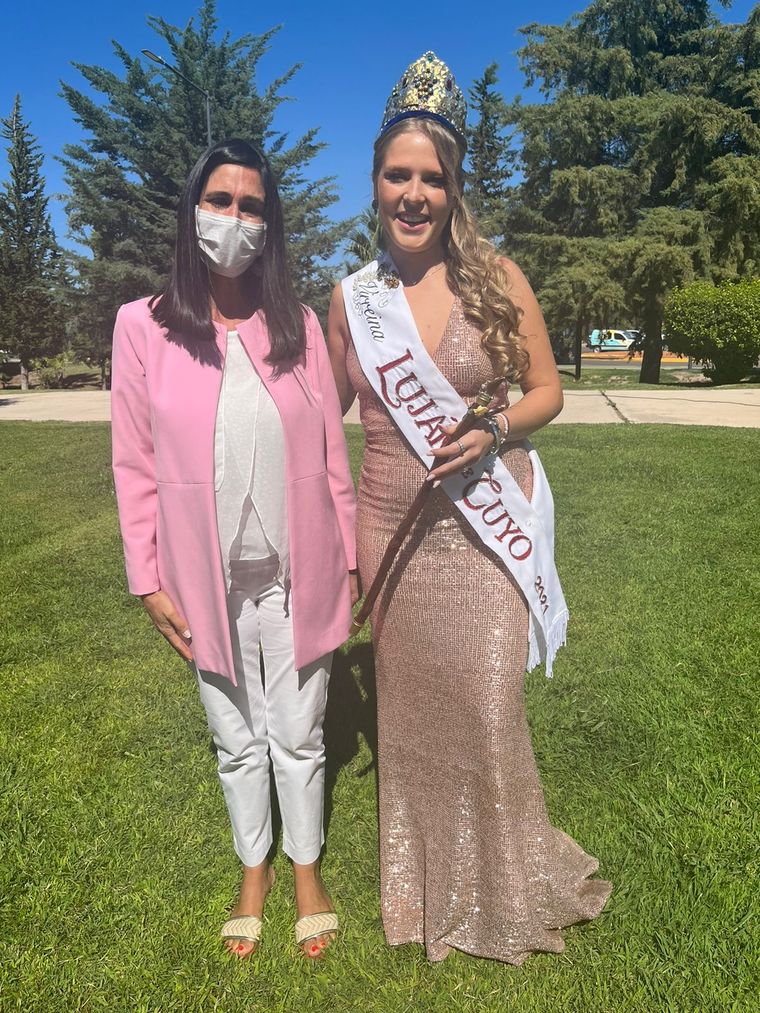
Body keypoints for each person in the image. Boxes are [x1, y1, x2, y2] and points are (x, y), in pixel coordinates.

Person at [327, 53, 611, 964]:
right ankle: (417, 894)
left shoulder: (496, 277)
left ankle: (504, 881)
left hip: (484, 529)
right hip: (391, 532)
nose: (413, 194)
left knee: (489, 707)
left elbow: (547, 393)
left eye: (431, 179)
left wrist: (491, 428)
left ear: (454, 190)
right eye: (397, 175)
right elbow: (319, 415)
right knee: (410, 718)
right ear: (375, 181)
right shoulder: (352, 302)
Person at [111, 138, 357, 959]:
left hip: (298, 566)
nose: (235, 219)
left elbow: (331, 455)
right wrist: (146, 578)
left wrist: (349, 558)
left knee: (300, 727)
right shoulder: (143, 329)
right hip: (202, 577)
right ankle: (252, 867)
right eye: (219, 201)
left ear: (270, 223)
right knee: (235, 732)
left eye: (252, 206)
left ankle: (305, 869)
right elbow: (134, 462)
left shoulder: (298, 329)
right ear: (192, 212)